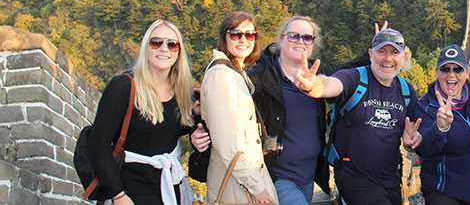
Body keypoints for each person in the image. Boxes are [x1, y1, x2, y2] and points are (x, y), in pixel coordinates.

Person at [246, 16, 374, 204]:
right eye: (294, 36)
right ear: (281, 40)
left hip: (307, 176)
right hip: (277, 176)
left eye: (307, 38)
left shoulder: (315, 72)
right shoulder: (261, 76)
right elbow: (232, 105)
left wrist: (373, 51)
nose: (300, 41)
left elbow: (346, 71)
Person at [294, 28, 422, 205]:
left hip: (391, 180)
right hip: (353, 177)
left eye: (394, 52)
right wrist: (312, 85)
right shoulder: (355, 78)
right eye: (381, 51)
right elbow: (331, 84)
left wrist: (411, 142)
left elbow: (414, 131)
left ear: (403, 56)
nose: (388, 58)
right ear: (370, 54)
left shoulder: (406, 91)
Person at [88, 20, 195, 205]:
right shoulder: (124, 86)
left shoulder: (183, 93)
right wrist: (118, 195)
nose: (164, 49)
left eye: (172, 44)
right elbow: (99, 145)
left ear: (178, 52)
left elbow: (175, 128)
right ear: (146, 47)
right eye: (156, 42)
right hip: (131, 188)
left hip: (168, 187)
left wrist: (198, 130)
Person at [200, 11, 278, 204]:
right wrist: (256, 187)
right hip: (238, 186)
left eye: (250, 35)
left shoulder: (235, 72)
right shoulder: (221, 76)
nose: (244, 40)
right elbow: (226, 143)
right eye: (236, 34)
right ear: (224, 37)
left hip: (248, 176)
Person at [415, 45, 470, 205]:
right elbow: (424, 149)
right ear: (436, 72)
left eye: (458, 69)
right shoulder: (426, 106)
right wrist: (440, 128)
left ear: (467, 73)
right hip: (443, 191)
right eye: (445, 69)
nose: (451, 75)